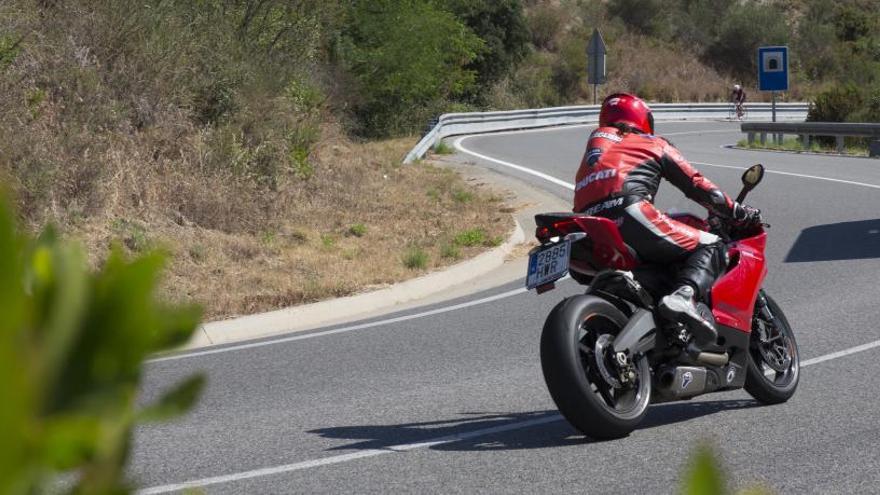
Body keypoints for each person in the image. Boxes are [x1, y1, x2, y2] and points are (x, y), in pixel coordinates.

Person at [574, 93, 760, 348]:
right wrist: (736, 210)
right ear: (641, 118)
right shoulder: (651, 142)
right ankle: (684, 296)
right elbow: (697, 184)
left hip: (588, 226)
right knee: (712, 244)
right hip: (629, 213)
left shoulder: (591, 157)